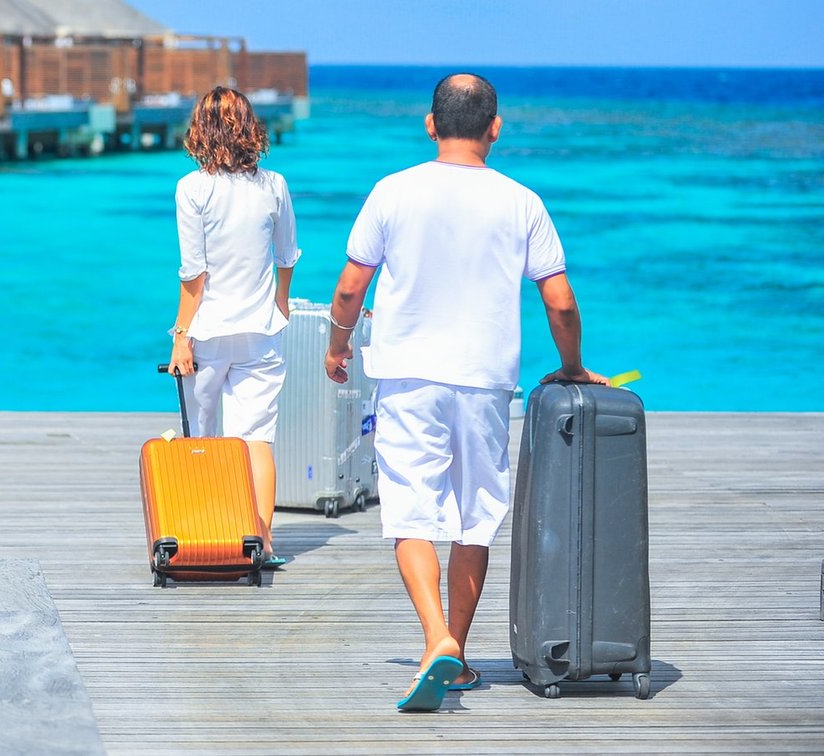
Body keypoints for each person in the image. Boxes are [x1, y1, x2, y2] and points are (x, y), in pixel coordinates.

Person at [323, 73, 607, 711]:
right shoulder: (522, 202)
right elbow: (560, 301)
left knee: (410, 510)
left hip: (408, 374)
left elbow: (349, 288)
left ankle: (436, 640)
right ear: (495, 128)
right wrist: (571, 367)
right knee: (475, 514)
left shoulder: (392, 191)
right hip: (484, 380)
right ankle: (456, 653)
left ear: (430, 124)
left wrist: (338, 347)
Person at [167, 86, 299, 565]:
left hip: (207, 332)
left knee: (199, 440)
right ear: (250, 129)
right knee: (256, 439)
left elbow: (193, 274)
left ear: (199, 131)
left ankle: (205, 534)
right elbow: (287, 256)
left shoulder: (192, 188)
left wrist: (180, 336)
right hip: (261, 332)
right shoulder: (274, 185)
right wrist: (279, 302)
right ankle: (262, 542)